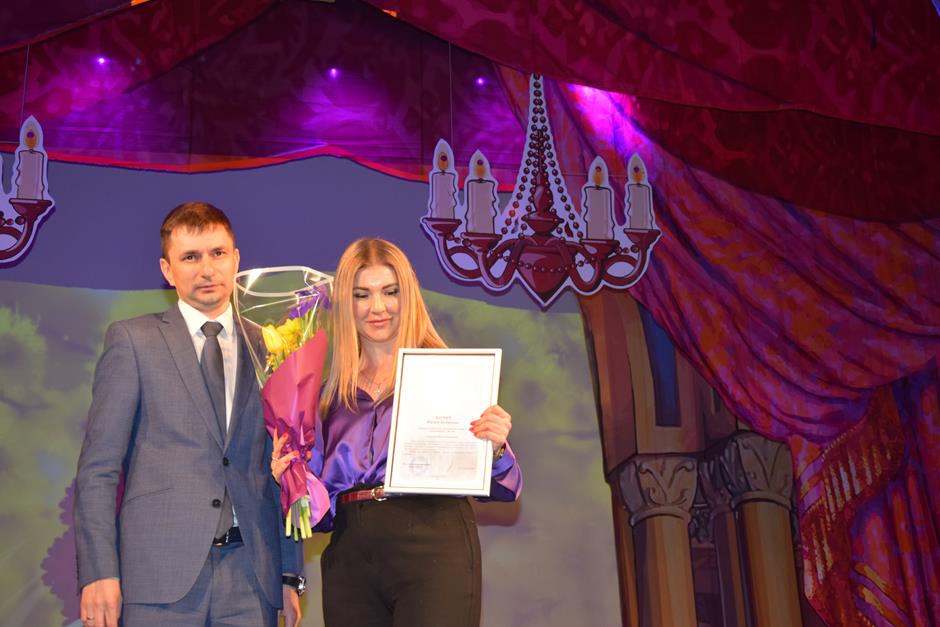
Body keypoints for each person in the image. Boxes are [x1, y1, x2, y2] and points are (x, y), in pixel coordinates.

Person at [74, 202, 304, 627]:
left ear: (236, 259)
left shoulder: (272, 348)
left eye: (217, 253)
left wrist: (290, 574)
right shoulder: (133, 340)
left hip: (252, 578)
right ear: (167, 269)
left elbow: (288, 468)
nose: (207, 269)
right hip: (158, 577)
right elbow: (98, 469)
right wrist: (99, 570)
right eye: (190, 257)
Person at [272, 237, 522, 626]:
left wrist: (496, 447)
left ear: (409, 297)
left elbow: (506, 488)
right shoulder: (325, 399)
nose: (378, 307)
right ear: (346, 304)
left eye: (390, 292)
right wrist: (292, 479)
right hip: (351, 557)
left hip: (434, 543)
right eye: (362, 295)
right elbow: (321, 518)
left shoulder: (451, 375)